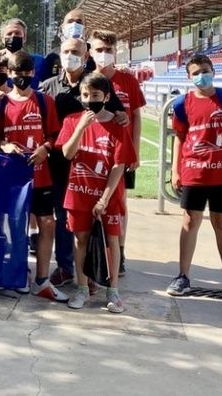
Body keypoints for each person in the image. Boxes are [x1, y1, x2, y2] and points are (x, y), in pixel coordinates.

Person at [41, 36, 127, 289]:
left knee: (92, 224)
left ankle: (91, 273)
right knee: (64, 217)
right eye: (66, 51)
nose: (70, 56)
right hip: (61, 160)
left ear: (86, 55)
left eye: (76, 52)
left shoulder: (95, 83)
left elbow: (118, 114)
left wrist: (122, 117)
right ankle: (65, 267)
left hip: (94, 163)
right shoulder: (48, 86)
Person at [168, 55, 222, 301]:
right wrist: (175, 170)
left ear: (213, 70)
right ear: (188, 77)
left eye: (205, 70)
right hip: (194, 172)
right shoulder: (182, 103)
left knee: (221, 222)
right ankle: (183, 276)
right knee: (190, 221)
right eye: (195, 73)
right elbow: (180, 137)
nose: (201, 76)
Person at [57, 73, 134, 313]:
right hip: (79, 193)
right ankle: (82, 288)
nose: (90, 100)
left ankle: (113, 291)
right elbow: (68, 153)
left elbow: (118, 166)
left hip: (107, 197)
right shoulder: (72, 120)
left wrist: (104, 199)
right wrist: (81, 127)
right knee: (80, 240)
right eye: (86, 95)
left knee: (111, 242)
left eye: (96, 95)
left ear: (107, 97)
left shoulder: (118, 125)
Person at [0, 51, 66, 302]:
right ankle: (20, 273)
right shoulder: (1, 103)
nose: (22, 77)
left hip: (41, 175)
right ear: (9, 73)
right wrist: (5, 145)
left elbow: (55, 135)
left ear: (33, 73)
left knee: (47, 223)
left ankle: (42, 280)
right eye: (17, 73)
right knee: (18, 226)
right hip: (13, 177)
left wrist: (45, 148)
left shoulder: (44, 101)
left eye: (26, 73)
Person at [89, 29, 145, 276]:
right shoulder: (88, 80)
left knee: (120, 201)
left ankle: (119, 251)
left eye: (108, 50)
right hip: (95, 152)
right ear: (91, 52)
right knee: (92, 200)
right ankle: (94, 251)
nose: (104, 54)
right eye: (99, 49)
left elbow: (136, 116)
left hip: (122, 153)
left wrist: (135, 151)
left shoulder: (128, 80)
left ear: (116, 52)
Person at [0, 18, 45, 89]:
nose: (13, 36)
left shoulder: (38, 61)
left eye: (17, 33)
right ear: (2, 39)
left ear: (24, 38)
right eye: (9, 34)